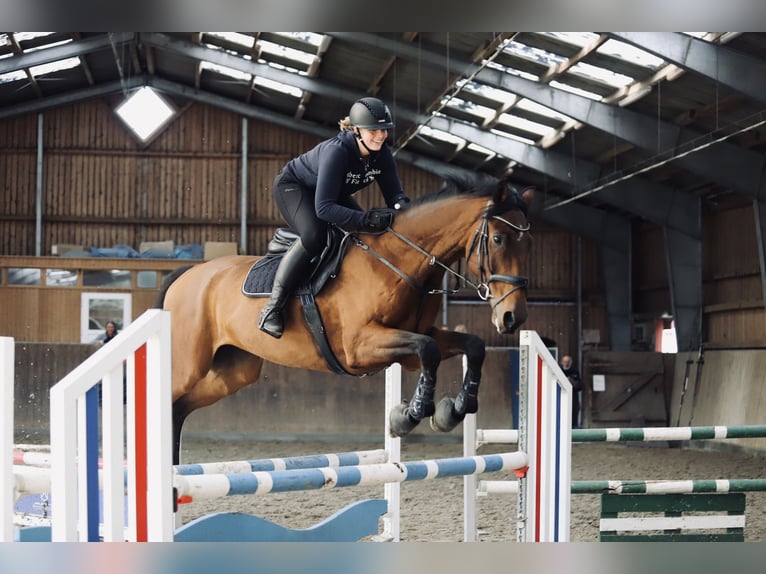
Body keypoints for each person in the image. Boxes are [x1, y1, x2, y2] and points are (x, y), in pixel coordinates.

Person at [258, 97, 410, 339]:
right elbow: (324, 210)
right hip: (295, 188)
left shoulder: (383, 154)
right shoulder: (337, 152)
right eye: (374, 130)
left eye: (384, 130)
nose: (381, 135)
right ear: (357, 130)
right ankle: (272, 308)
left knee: (362, 235)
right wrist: (366, 218)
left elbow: (396, 196)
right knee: (315, 235)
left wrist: (406, 213)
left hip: (330, 194)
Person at [560, 354, 583, 428]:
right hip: (561, 394)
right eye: (564, 362)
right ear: (561, 362)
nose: (566, 363)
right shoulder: (559, 370)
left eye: (567, 362)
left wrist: (571, 381)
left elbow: (580, 385)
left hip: (573, 395)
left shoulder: (575, 371)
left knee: (574, 410)